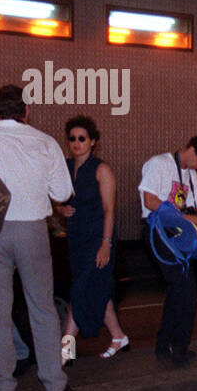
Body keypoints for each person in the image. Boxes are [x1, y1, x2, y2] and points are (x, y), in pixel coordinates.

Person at [0, 84, 75, 391]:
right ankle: (54, 383)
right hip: (32, 231)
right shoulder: (44, 142)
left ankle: (5, 386)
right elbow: (63, 193)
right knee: (42, 306)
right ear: (26, 111)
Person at [139, 133, 197, 366]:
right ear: (192, 150)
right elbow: (150, 201)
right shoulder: (159, 164)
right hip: (160, 232)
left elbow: (190, 207)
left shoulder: (191, 175)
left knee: (177, 290)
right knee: (185, 290)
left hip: (179, 235)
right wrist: (189, 218)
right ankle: (178, 348)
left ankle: (165, 345)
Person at [56, 115, 129, 360]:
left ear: (93, 141)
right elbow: (56, 196)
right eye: (72, 138)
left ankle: (65, 351)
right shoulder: (65, 167)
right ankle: (119, 336)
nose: (76, 143)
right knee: (97, 290)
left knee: (79, 291)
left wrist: (106, 244)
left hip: (98, 238)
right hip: (76, 238)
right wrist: (60, 209)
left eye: (82, 138)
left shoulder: (102, 169)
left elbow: (110, 209)